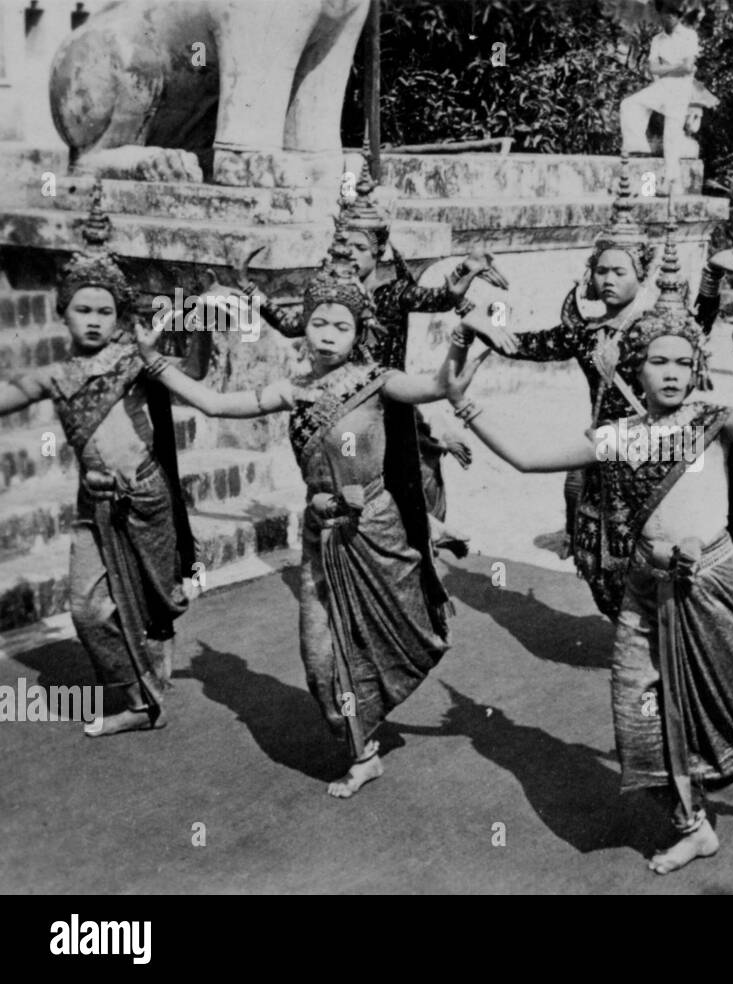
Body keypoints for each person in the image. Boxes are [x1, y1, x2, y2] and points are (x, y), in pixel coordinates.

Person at [439, 226, 733, 874]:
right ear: (637, 366)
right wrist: (465, 407)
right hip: (643, 588)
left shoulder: (712, 422)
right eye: (658, 361)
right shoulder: (618, 435)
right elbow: (527, 459)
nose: (670, 371)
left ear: (696, 368)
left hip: (707, 584)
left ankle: (698, 804)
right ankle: (692, 824)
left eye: (681, 362)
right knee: (634, 708)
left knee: (711, 704)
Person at [139, 219, 456, 798]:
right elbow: (212, 403)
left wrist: (465, 343)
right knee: (317, 656)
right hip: (321, 534)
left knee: (389, 638)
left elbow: (437, 387)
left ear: (359, 331)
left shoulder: (379, 382)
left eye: (341, 324)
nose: (328, 332)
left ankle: (363, 751)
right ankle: (360, 743)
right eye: (318, 322)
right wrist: (153, 360)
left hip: (376, 533)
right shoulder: (293, 389)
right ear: (304, 329)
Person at [495, 172, 733, 606]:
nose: (608, 280)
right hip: (605, 454)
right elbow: (526, 345)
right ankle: (637, 638)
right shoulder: (583, 333)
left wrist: (712, 272)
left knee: (660, 556)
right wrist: (483, 324)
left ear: (642, 273)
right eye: (600, 271)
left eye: (620, 270)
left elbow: (698, 323)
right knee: (601, 562)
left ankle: (661, 648)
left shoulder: (656, 330)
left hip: (654, 451)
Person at [0, 185, 206, 737]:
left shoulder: (133, 364)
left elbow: (197, 382)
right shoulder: (57, 376)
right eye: (83, 309)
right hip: (94, 505)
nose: (93, 320)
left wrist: (198, 322)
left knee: (158, 600)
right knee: (88, 610)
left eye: (104, 311)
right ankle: (139, 697)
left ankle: (146, 697)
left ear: (118, 316)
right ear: (63, 312)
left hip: (145, 497)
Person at [239, 164, 509, 550]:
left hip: (387, 402)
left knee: (399, 485)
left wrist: (465, 269)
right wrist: (247, 287)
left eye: (362, 248)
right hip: (342, 406)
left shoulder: (393, 294)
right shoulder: (331, 302)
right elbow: (288, 323)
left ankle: (429, 530)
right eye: (346, 246)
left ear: (378, 252)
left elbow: (438, 298)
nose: (352, 255)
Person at [619, 0, 701, 196]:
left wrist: (667, 69)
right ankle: (638, 145)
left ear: (678, 16)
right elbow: (653, 68)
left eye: (671, 14)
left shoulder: (689, 36)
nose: (667, 18)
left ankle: (673, 182)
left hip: (681, 90)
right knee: (629, 104)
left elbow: (689, 67)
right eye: (664, 13)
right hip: (662, 87)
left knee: (671, 135)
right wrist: (675, 68)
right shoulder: (658, 40)